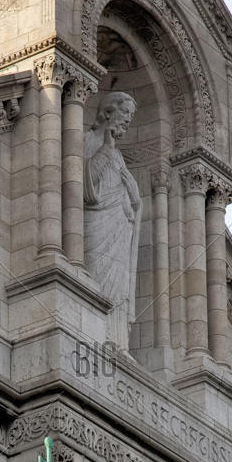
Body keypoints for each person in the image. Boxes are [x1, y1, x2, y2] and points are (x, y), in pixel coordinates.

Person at [83, 91, 143, 348]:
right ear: (108, 112)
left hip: (119, 229)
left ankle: (116, 342)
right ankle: (91, 332)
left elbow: (130, 204)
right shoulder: (86, 140)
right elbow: (83, 185)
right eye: (125, 112)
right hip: (96, 225)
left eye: (131, 116)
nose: (128, 119)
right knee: (95, 274)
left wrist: (137, 201)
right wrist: (106, 150)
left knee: (117, 286)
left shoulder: (119, 157)